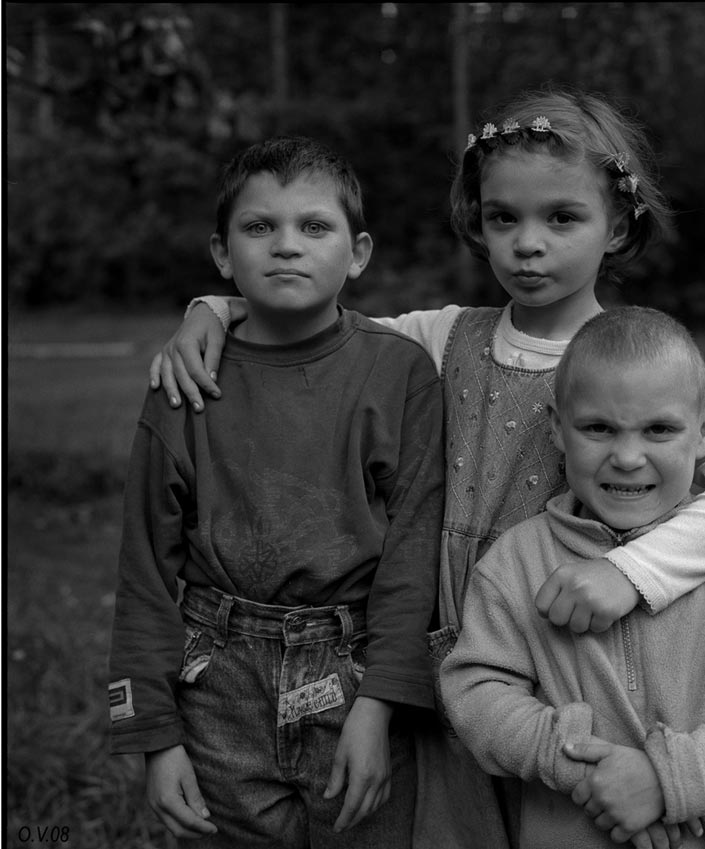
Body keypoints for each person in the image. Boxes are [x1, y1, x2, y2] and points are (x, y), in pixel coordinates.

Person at [145, 86, 705, 849]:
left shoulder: (635, 366)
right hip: (447, 668)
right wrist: (215, 307)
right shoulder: (440, 335)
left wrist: (634, 572)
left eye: (562, 217)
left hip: (568, 660)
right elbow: (315, 317)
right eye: (502, 218)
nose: (527, 243)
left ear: (617, 225)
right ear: (477, 221)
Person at [108, 135, 445, 848]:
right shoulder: (184, 384)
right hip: (217, 681)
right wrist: (154, 736)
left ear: (357, 253)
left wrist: (382, 705)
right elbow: (144, 570)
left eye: (313, 226)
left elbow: (414, 561)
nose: (286, 245)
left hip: (353, 673)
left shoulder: (400, 373)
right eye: (260, 227)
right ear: (224, 255)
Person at [441, 306, 705, 849]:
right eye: (598, 428)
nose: (626, 457)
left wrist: (671, 777)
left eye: (659, 429)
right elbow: (476, 696)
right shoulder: (513, 564)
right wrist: (582, 767)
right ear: (556, 428)